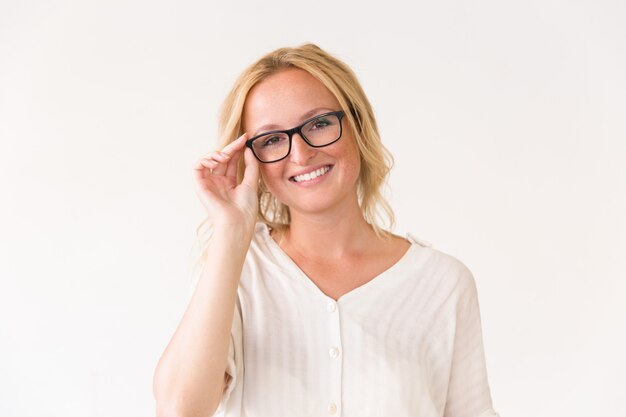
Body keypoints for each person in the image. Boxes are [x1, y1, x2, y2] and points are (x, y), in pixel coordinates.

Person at [153, 44, 500, 417]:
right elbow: (178, 410)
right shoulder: (238, 270)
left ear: (358, 125)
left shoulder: (442, 283)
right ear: (252, 159)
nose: (300, 155)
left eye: (318, 124)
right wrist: (230, 231)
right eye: (272, 139)